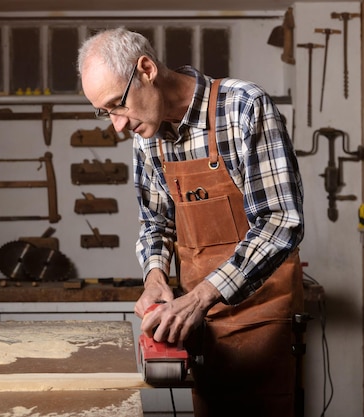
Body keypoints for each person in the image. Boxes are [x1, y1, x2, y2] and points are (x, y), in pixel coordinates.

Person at [77, 27, 305, 417]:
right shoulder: (147, 137)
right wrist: (155, 278)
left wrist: (200, 297)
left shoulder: (243, 107)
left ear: (146, 69)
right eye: (105, 112)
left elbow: (280, 221)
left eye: (118, 104)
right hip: (196, 322)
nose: (117, 124)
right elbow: (155, 222)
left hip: (259, 317)